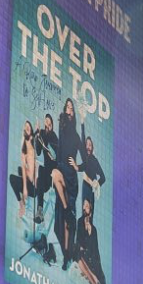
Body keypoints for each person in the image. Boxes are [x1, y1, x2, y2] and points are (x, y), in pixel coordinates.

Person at [50, 98, 83, 269]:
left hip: (72, 177)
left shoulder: (77, 136)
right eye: (67, 107)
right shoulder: (62, 127)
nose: (69, 110)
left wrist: (77, 166)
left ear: (74, 113)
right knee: (54, 174)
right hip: (61, 170)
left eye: (71, 108)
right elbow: (60, 148)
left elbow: (84, 155)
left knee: (67, 222)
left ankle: (66, 255)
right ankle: (67, 211)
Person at [75, 197, 106, 284]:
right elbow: (78, 239)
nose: (84, 208)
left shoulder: (94, 229)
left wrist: (89, 230)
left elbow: (94, 247)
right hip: (82, 252)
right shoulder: (79, 221)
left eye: (87, 206)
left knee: (88, 265)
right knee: (80, 260)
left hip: (92, 256)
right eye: (84, 205)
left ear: (91, 212)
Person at [32, 113, 58, 223]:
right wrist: (36, 134)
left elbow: (57, 155)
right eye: (45, 120)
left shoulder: (54, 136)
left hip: (52, 173)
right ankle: (40, 211)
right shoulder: (41, 133)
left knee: (43, 173)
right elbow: (37, 151)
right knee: (40, 175)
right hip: (45, 173)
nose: (47, 122)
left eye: (49, 120)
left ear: (51, 122)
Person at [9, 120, 38, 218]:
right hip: (29, 185)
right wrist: (25, 188)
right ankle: (21, 202)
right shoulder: (24, 152)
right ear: (25, 132)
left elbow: (36, 133)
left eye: (28, 125)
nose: (27, 127)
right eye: (26, 127)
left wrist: (37, 128)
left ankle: (24, 197)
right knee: (13, 176)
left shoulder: (33, 143)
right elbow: (23, 168)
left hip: (34, 187)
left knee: (20, 171)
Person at [79, 135, 106, 213]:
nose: (88, 147)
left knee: (90, 214)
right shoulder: (84, 158)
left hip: (91, 190)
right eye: (86, 145)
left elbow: (103, 178)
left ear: (92, 148)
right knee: (85, 213)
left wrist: (97, 184)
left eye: (90, 145)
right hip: (86, 187)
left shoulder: (94, 160)